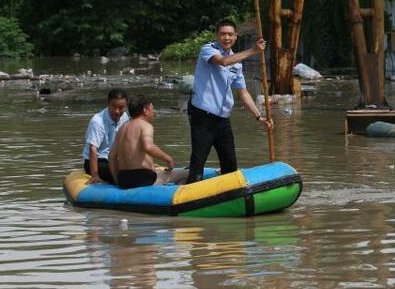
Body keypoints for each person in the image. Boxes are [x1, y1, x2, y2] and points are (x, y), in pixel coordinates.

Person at [187, 19, 273, 183]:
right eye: (223, 34)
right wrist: (253, 50)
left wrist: (259, 117)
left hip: (222, 118)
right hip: (202, 115)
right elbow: (223, 61)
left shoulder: (237, 63)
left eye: (230, 34)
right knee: (198, 161)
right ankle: (190, 188)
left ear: (236, 36)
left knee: (230, 164)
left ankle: (228, 193)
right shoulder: (208, 50)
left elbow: (244, 93)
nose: (226, 37)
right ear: (217, 35)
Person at [108, 94, 189, 189]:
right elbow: (148, 147)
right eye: (152, 109)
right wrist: (168, 158)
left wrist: (117, 180)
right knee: (187, 174)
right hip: (142, 180)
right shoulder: (145, 125)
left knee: (159, 171)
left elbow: (111, 157)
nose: (153, 113)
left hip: (124, 180)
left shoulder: (122, 128)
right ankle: (176, 196)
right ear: (145, 110)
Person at [82, 88, 129, 185]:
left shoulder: (125, 117)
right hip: (97, 161)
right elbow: (93, 148)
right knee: (124, 175)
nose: (117, 111)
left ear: (126, 106)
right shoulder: (98, 121)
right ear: (108, 104)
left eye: (121, 108)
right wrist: (95, 175)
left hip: (113, 159)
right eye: (114, 107)